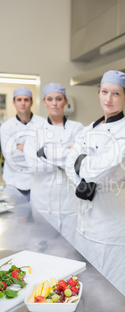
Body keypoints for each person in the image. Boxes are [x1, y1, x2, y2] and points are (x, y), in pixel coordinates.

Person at [65, 70, 125, 305]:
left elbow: (102, 168)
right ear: (99, 93)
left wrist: (80, 162)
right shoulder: (89, 128)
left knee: (117, 289)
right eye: (105, 92)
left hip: (113, 222)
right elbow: (70, 164)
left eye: (116, 93)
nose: (109, 98)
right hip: (86, 220)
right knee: (87, 285)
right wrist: (80, 170)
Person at [24, 83, 83, 242]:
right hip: (41, 200)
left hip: (69, 201)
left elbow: (78, 162)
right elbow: (33, 165)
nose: (55, 103)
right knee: (40, 245)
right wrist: (65, 156)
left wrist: (44, 153)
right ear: (44, 102)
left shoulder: (77, 129)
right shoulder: (35, 131)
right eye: (50, 99)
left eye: (58, 99)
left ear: (65, 101)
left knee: (69, 249)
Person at [0, 87, 45, 200]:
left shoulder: (43, 124)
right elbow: (11, 157)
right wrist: (34, 151)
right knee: (15, 216)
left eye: (26, 99)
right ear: (14, 102)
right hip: (14, 183)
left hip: (38, 183)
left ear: (32, 102)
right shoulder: (6, 127)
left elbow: (46, 155)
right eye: (19, 100)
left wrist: (23, 148)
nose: (23, 103)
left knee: (38, 217)